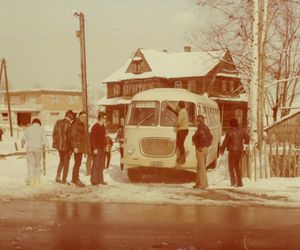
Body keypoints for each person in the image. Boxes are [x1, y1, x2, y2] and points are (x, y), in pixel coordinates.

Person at [220, 118, 249, 187]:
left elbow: (226, 141)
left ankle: (233, 182)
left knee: (231, 167)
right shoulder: (242, 130)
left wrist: (222, 149)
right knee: (237, 166)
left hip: (232, 150)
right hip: (239, 150)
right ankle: (239, 182)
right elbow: (247, 138)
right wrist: (245, 145)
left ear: (230, 124)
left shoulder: (229, 131)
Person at [21, 118, 50, 186]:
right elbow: (45, 139)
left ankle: (31, 181)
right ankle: (37, 180)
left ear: (33, 123)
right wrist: (48, 147)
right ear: (39, 123)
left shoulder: (28, 129)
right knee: (38, 164)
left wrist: (22, 144)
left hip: (30, 148)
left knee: (30, 165)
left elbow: (23, 138)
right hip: (38, 149)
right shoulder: (41, 129)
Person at [52, 109, 74, 184]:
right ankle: (64, 179)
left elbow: (54, 133)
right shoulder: (69, 124)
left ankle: (58, 176)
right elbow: (70, 137)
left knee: (61, 161)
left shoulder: (58, 122)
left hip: (59, 146)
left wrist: (56, 144)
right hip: (66, 147)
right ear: (70, 117)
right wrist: (71, 148)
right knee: (66, 163)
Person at [192, 115, 213, 189]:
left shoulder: (201, 129)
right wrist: (207, 146)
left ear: (198, 121)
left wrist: (201, 146)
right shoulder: (206, 128)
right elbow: (211, 137)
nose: (195, 122)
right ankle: (198, 183)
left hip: (200, 149)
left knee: (201, 167)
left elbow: (201, 137)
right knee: (199, 167)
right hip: (205, 148)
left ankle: (203, 184)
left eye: (196, 121)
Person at [70, 111, 89, 187]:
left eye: (85, 117)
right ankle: (75, 180)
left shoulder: (81, 124)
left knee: (78, 163)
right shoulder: (75, 123)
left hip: (81, 146)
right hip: (77, 147)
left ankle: (75, 179)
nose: (84, 118)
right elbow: (73, 135)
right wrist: (75, 147)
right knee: (77, 163)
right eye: (82, 116)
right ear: (79, 116)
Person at [167, 101, 189, 165]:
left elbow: (179, 122)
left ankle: (183, 157)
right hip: (184, 129)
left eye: (178, 106)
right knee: (180, 143)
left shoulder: (182, 112)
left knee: (180, 143)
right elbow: (175, 109)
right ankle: (181, 157)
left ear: (179, 106)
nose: (177, 107)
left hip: (182, 129)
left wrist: (175, 124)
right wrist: (169, 105)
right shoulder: (183, 111)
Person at [90, 111, 108, 186]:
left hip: (102, 148)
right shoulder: (95, 127)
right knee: (96, 165)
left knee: (101, 165)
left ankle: (100, 180)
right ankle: (94, 181)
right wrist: (94, 148)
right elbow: (92, 139)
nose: (105, 119)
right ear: (100, 118)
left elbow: (104, 138)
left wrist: (106, 146)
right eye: (104, 118)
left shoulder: (103, 126)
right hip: (97, 148)